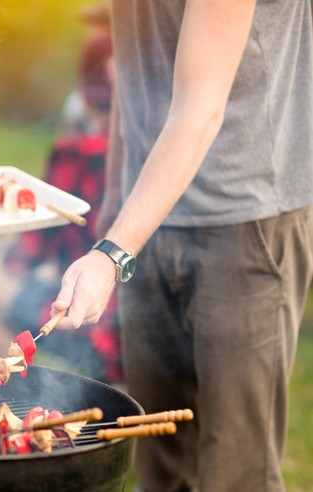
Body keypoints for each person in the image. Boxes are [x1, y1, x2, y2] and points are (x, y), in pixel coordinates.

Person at [52, 1, 313, 491]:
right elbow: (134, 67)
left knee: (238, 471)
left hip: (245, 216)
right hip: (147, 219)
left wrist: (112, 253)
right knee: (157, 449)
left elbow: (200, 108)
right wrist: (116, 195)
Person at [0, 23, 121, 384]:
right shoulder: (160, 159)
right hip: (147, 333)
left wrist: (8, 249)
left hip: (90, 326)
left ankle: (18, 387)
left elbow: (25, 256)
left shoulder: (76, 153)